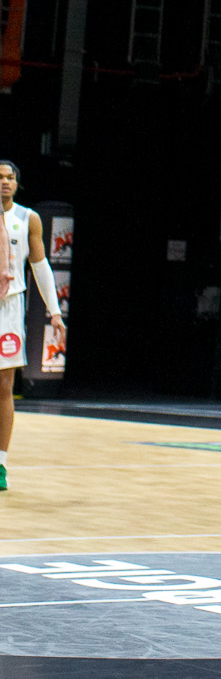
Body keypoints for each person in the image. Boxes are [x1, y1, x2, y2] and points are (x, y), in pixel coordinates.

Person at [0, 159, 66, 493]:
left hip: (9, 306)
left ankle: (1, 463)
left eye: (10, 177)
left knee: (4, 387)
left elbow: (41, 268)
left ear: (17, 183)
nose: (5, 182)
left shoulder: (28, 219)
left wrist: (55, 312)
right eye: (0, 178)